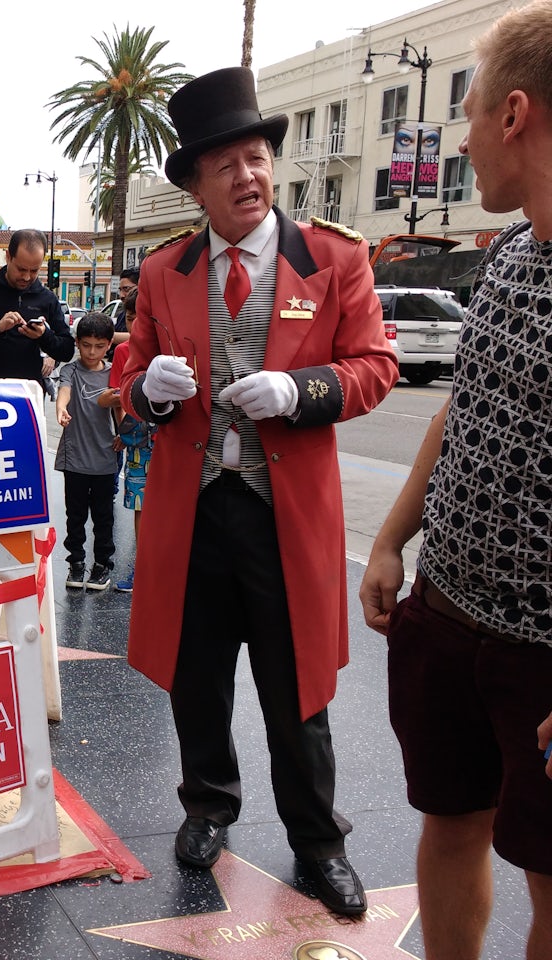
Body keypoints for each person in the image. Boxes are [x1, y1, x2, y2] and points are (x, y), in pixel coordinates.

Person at [117, 66, 397, 916]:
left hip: (285, 517)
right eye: (226, 164)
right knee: (197, 676)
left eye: (256, 157)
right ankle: (207, 807)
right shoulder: (165, 272)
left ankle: (318, 840)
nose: (247, 175)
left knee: (296, 685)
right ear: (195, 185)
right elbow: (128, 374)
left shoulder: (335, 258)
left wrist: (302, 392)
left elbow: (377, 367)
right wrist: (147, 388)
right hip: (194, 508)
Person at [358, 4, 552, 955]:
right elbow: (457, 413)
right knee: (449, 823)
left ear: (513, 114)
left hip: (542, 657)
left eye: (470, 114)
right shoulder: (511, 255)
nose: (463, 141)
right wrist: (394, 538)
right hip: (448, 614)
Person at [0, 228, 74, 385]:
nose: (26, 277)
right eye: (21, 269)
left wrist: (44, 336)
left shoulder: (48, 299)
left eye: (34, 271)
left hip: (27, 395)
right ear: (8, 257)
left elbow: (67, 351)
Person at [54, 313, 117, 592]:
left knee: (104, 516)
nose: (92, 352)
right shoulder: (71, 370)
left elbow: (122, 406)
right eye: (86, 345)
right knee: (75, 515)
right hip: (75, 457)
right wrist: (60, 409)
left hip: (105, 457)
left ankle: (102, 565)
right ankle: (76, 562)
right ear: (77, 343)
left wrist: (124, 434)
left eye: (99, 346)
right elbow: (64, 392)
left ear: (109, 344)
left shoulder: (115, 371)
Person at [102, 288, 152, 593]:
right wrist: (126, 432)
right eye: (130, 318)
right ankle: (142, 568)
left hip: (173, 441)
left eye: (140, 318)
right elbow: (117, 398)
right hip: (139, 443)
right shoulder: (124, 352)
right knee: (140, 505)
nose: (134, 325)